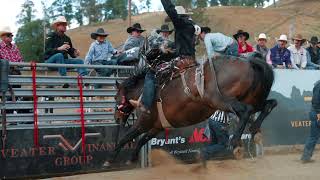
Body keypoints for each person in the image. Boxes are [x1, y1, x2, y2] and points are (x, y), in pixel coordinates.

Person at [130, 0, 201, 120]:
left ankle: (146, 104)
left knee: (152, 73)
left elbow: (170, 9)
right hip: (192, 60)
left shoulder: (180, 23)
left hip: (182, 60)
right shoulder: (192, 26)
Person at [44, 16, 87, 88]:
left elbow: (70, 51)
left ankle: (84, 79)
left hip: (63, 62)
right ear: (57, 26)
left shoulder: (67, 38)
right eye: (62, 24)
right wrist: (59, 48)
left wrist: (75, 53)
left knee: (79, 61)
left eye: (65, 25)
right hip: (50, 61)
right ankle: (64, 80)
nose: (65, 26)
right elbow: (47, 51)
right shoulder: (50, 36)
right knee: (59, 55)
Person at [301, 80, 320, 163]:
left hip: (316, 112)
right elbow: (316, 100)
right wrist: (319, 113)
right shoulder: (319, 85)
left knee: (313, 136)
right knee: (313, 136)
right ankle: (306, 157)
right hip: (317, 113)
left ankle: (305, 157)